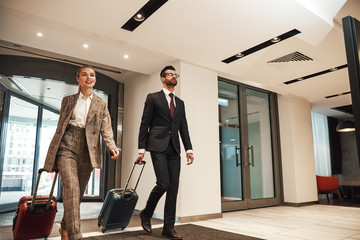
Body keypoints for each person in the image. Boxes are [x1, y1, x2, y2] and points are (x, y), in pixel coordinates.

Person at [43, 66, 119, 240]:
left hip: (89, 149)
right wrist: (52, 154)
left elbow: (106, 128)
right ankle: (75, 234)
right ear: (78, 78)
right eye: (84, 75)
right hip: (67, 145)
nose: (89, 77)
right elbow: (61, 127)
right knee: (72, 188)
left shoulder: (101, 103)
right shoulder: (68, 100)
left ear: (95, 79)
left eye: (92, 75)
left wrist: (111, 146)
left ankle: (64, 226)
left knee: (78, 193)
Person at [137, 65, 194, 240]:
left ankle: (168, 228)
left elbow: (183, 127)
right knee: (163, 183)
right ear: (162, 78)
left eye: (175, 74)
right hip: (157, 145)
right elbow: (144, 123)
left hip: (174, 148)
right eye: (170, 74)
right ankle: (146, 212)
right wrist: (141, 149)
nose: (173, 77)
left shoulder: (180, 103)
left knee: (173, 188)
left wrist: (189, 149)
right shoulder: (153, 98)